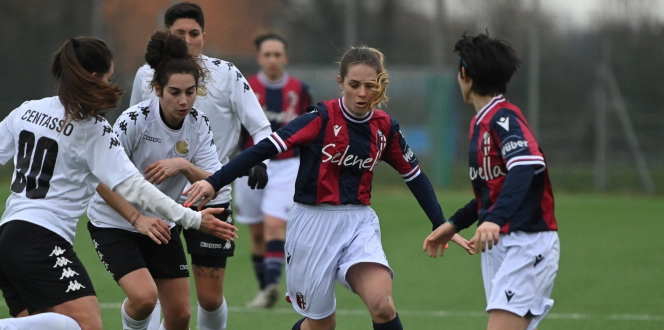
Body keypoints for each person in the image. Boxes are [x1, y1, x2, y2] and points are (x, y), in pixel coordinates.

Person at [0, 36, 236, 330]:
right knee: (86, 325)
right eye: (107, 77)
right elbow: (137, 190)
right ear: (92, 76)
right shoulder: (94, 130)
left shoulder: (28, 110)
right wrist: (192, 218)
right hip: (41, 241)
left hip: (3, 241)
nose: (109, 84)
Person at [184, 46, 474, 330]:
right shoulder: (319, 119)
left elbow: (415, 177)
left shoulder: (385, 127)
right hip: (312, 226)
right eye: (354, 85)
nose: (362, 93)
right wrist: (214, 181)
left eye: (370, 86)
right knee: (322, 324)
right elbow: (263, 149)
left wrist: (440, 223)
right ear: (341, 83)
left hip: (359, 223)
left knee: (383, 306)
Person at [129, 3, 272, 329]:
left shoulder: (226, 74)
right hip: (159, 196)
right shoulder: (145, 76)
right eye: (180, 33)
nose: (188, 40)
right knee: (152, 290)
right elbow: (133, 128)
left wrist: (260, 161)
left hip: (211, 192)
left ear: (203, 37)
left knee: (209, 297)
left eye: (194, 34)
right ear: (167, 35)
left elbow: (260, 127)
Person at [86, 31, 223, 330]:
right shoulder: (134, 120)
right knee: (145, 299)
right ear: (158, 89)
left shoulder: (199, 125)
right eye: (175, 92)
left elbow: (216, 180)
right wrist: (137, 219)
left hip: (162, 223)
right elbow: (99, 179)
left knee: (180, 316)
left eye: (190, 91)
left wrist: (184, 166)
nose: (184, 100)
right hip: (116, 222)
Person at [422, 33, 560, 330]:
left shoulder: (503, 119)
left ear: (464, 74)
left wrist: (494, 219)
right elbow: (492, 191)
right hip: (500, 242)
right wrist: (455, 223)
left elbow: (526, 167)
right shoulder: (482, 121)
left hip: (526, 241)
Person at [234, 31, 312, 309]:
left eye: (277, 54)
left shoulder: (299, 90)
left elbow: (309, 128)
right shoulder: (245, 87)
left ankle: (270, 287)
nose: (272, 59)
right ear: (259, 57)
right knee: (256, 234)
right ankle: (264, 288)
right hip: (249, 165)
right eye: (267, 54)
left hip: (287, 166)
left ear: (285, 57)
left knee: (274, 225)